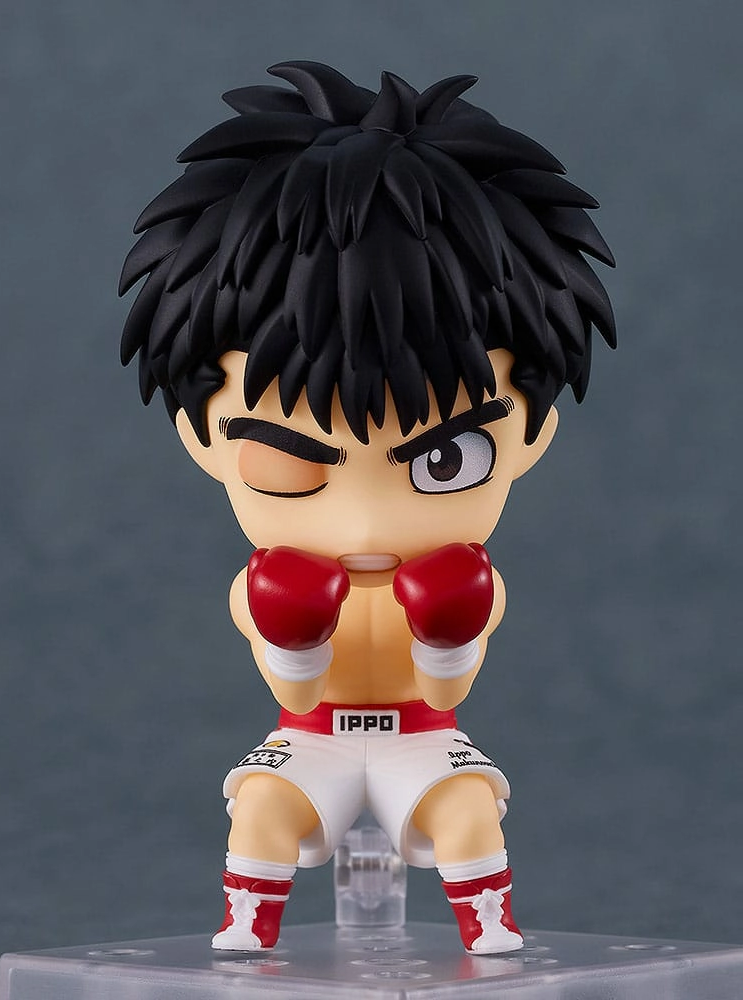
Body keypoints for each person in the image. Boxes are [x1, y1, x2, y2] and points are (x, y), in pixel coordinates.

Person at [119, 60, 615, 954]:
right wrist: (295, 632)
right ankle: (247, 926)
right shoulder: (262, 582)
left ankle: (489, 928)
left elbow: (448, 689)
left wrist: (447, 630)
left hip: (423, 732)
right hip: (310, 733)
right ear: (201, 436)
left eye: (445, 461)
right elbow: (291, 689)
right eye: (290, 462)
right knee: (261, 807)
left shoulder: (472, 578)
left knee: (467, 810)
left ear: (532, 432)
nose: (364, 527)